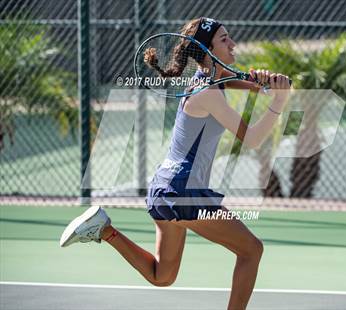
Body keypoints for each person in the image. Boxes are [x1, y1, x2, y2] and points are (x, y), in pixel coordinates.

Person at [60, 17, 291, 310]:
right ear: (206, 52)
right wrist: (279, 102)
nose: (233, 44)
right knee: (251, 250)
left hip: (166, 189)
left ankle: (105, 230)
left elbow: (231, 80)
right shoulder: (207, 93)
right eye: (224, 39)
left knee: (162, 276)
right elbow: (254, 139)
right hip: (183, 192)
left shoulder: (207, 81)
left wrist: (262, 84)